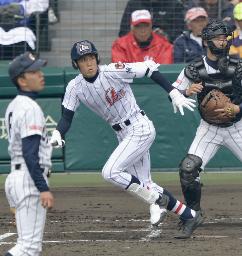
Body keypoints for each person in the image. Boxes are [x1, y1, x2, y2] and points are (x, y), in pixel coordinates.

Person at [50, 39, 203, 239]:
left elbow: (149, 69)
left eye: (91, 57)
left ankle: (157, 200)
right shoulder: (74, 87)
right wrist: (57, 133)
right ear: (75, 64)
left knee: (110, 172)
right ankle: (189, 215)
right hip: (122, 133)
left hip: (139, 127)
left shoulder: (113, 70)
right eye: (82, 60)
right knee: (145, 184)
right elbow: (66, 117)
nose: (88, 63)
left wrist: (174, 92)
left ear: (96, 58)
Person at [172, 19, 242, 213]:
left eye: (225, 38)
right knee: (188, 169)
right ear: (206, 41)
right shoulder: (194, 69)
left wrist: (237, 109)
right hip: (209, 128)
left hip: (237, 126)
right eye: (219, 38)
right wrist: (186, 92)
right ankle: (193, 214)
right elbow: (173, 93)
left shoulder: (239, 66)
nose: (223, 41)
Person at [4, 52, 54, 256]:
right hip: (29, 180)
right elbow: (29, 153)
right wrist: (43, 188)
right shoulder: (29, 108)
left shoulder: (15, 105)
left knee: (26, 245)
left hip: (17, 178)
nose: (41, 74)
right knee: (28, 248)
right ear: (22, 80)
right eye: (34, 71)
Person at [118, 0, 188, 42]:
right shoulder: (133, 3)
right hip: (136, 48)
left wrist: (167, 36)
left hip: (166, 48)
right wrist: (140, 36)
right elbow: (123, 32)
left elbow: (180, 31)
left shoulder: (174, 4)